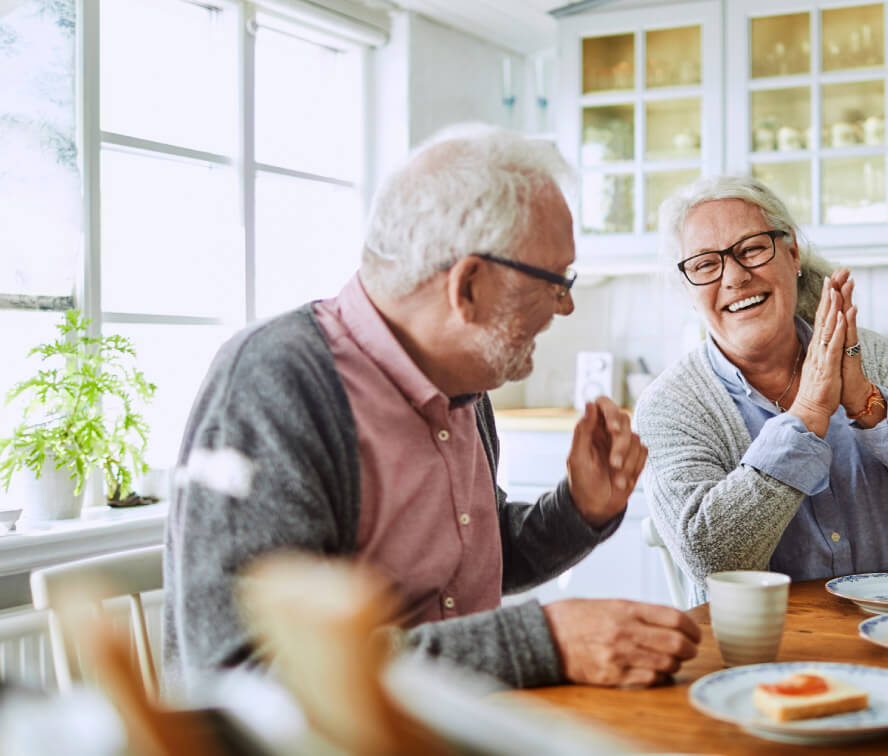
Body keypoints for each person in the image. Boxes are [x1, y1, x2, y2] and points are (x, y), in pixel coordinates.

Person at [163, 124, 700, 694]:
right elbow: (242, 674)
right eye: (555, 282)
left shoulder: (462, 383)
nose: (565, 307)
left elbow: (472, 563)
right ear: (467, 287)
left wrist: (579, 510)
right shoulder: (275, 384)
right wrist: (545, 643)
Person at [636, 176, 888, 603]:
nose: (735, 277)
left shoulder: (870, 356)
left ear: (792, 252)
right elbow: (711, 560)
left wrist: (872, 406)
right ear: (688, 287)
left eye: (752, 248)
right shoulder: (670, 406)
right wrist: (807, 415)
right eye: (704, 264)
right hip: (773, 658)